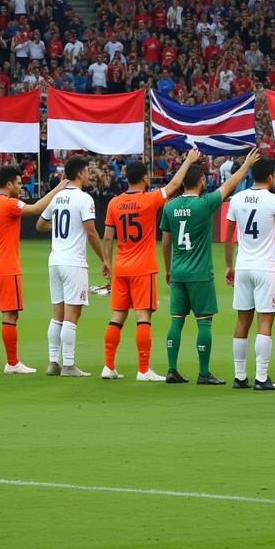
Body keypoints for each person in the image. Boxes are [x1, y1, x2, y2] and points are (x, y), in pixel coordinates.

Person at [160, 148, 260, 384]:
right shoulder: (204, 204)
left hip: (177, 272)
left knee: (176, 320)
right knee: (204, 322)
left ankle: (172, 369)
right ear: (202, 180)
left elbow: (166, 243)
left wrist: (168, 269)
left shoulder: (169, 207)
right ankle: (204, 373)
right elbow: (230, 185)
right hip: (200, 273)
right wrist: (246, 165)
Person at [101, 150, 201, 381]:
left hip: (121, 266)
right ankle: (144, 369)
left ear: (126, 178)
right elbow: (176, 184)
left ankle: (108, 366)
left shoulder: (114, 203)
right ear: (145, 178)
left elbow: (107, 236)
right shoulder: (148, 199)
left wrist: (107, 260)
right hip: (142, 267)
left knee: (117, 316)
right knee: (143, 317)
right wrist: (188, 160)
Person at [0, 166, 64, 374]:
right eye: (18, 183)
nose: (21, 187)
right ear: (8, 184)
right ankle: (13, 363)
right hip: (6, 267)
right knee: (11, 315)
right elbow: (35, 209)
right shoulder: (10, 203)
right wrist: (58, 188)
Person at [224, 156, 275, 390]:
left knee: (242, 321)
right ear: (271, 177)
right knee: (265, 322)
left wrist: (228, 265)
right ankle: (261, 377)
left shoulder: (237, 199)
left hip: (243, 265)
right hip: (265, 267)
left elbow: (228, 236)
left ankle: (240, 376)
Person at [35, 155, 109, 378]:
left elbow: (40, 225)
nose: (89, 175)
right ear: (79, 174)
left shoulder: (57, 197)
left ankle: (53, 362)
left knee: (57, 314)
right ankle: (68, 364)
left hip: (55, 259)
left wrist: (58, 227)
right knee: (72, 314)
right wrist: (104, 258)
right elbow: (91, 231)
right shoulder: (84, 199)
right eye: (87, 171)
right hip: (73, 262)